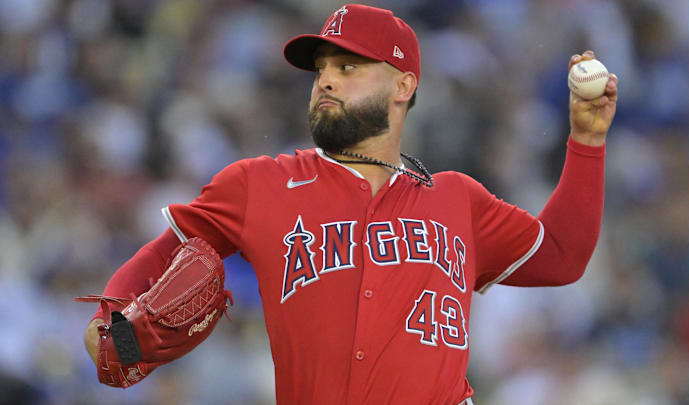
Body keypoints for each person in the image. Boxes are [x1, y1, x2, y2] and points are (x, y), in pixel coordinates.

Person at [83, 4, 619, 404]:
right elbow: (160, 258)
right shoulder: (259, 184)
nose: (326, 81)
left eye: (349, 66)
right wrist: (113, 326)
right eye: (322, 69)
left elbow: (563, 256)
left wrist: (587, 144)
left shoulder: (457, 198)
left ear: (403, 85)